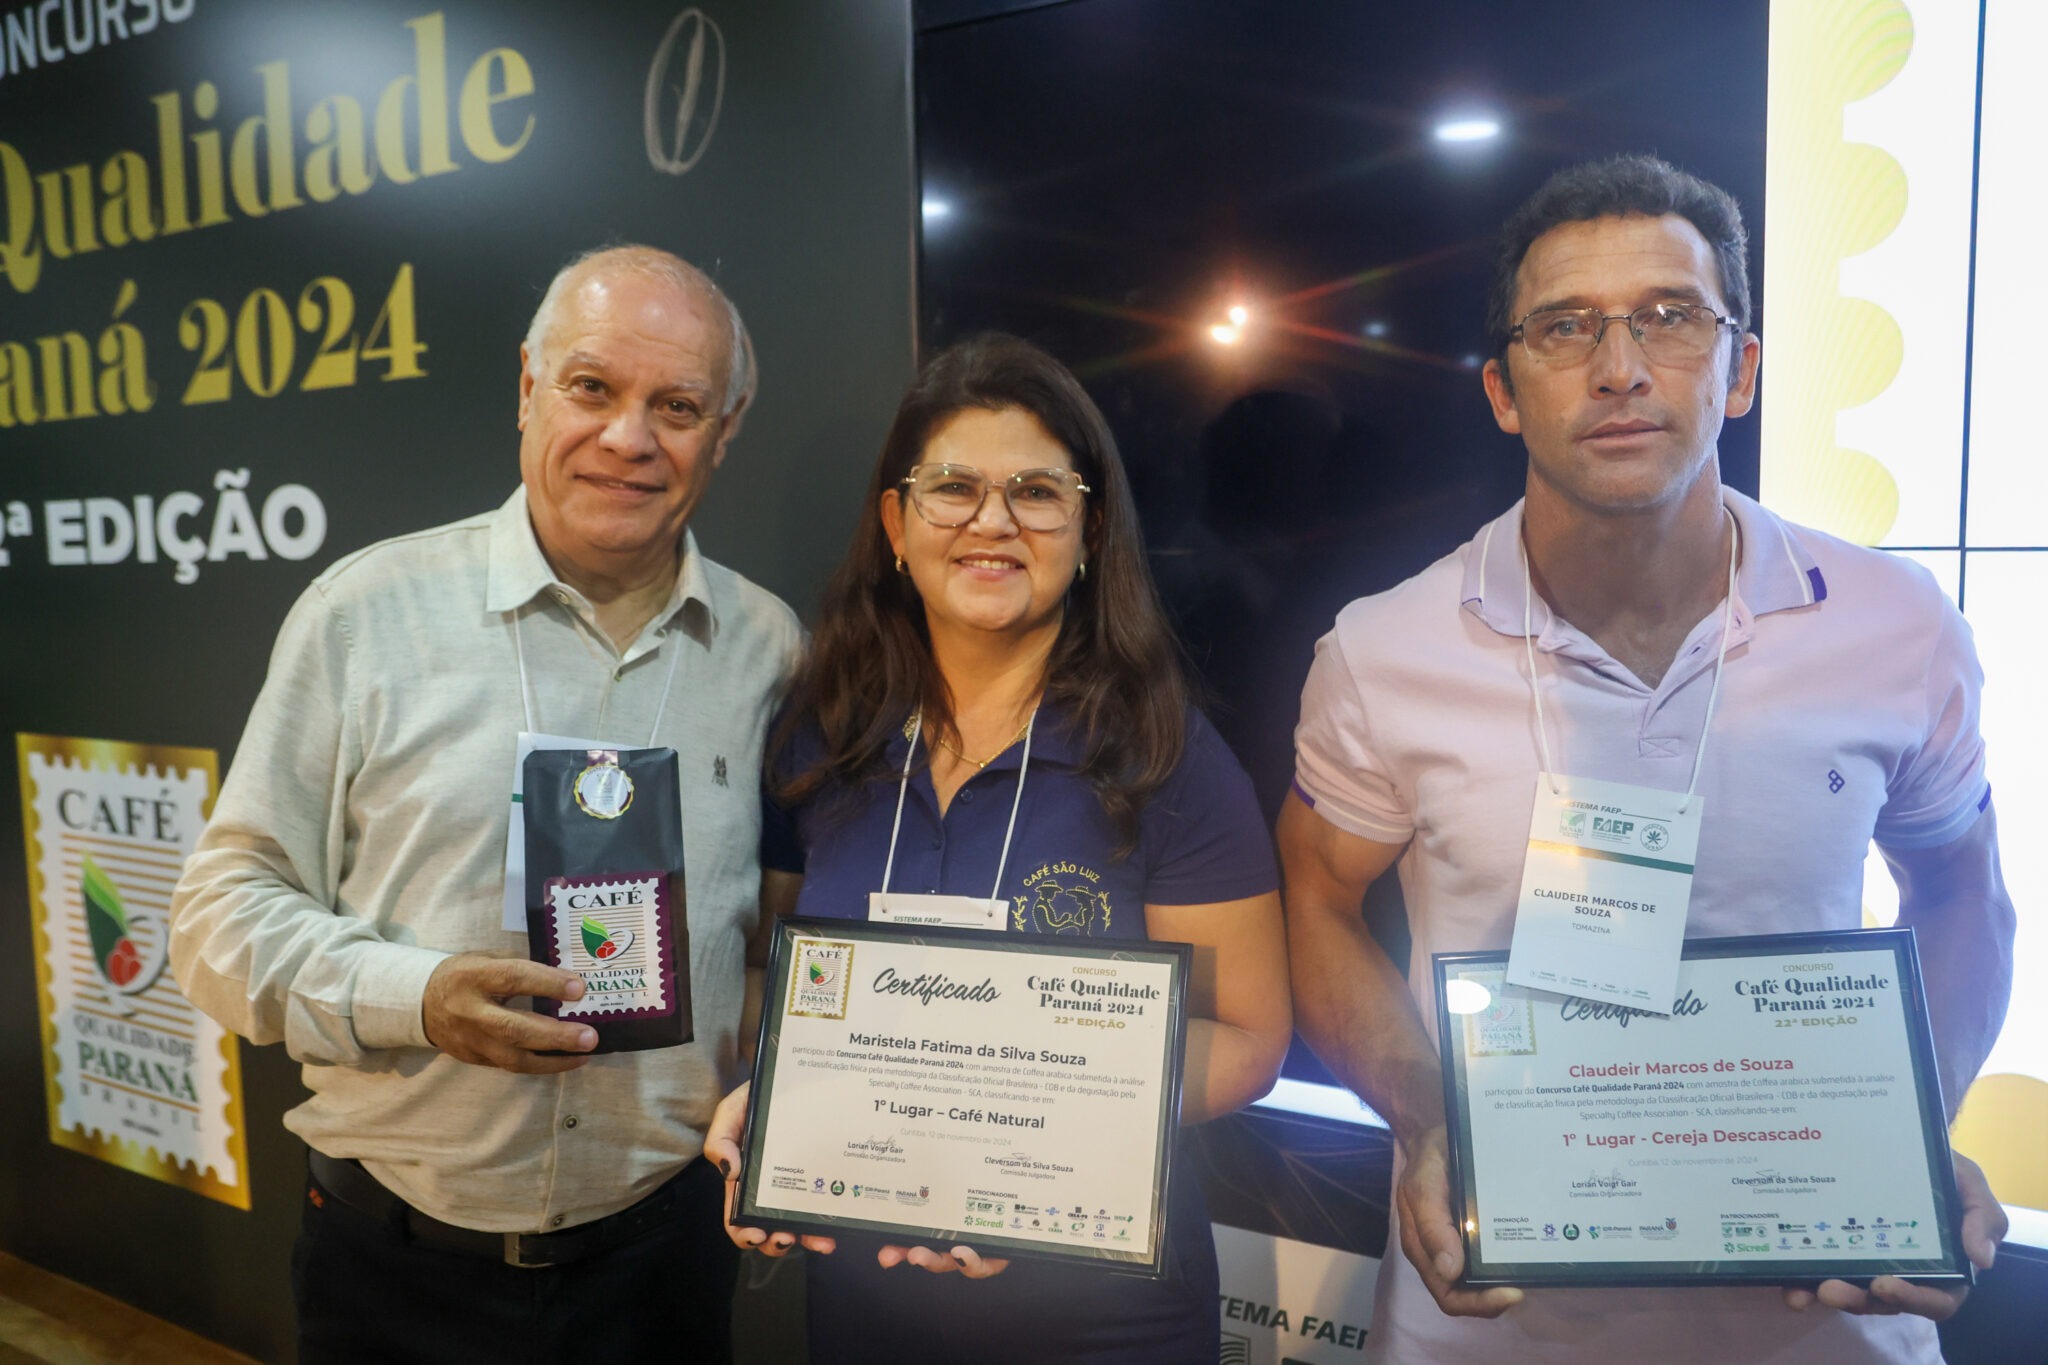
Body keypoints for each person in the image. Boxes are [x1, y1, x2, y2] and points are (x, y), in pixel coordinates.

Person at [1280, 155, 2015, 1363]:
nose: (1619, 367)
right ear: (1502, 393)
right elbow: (1313, 892)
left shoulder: (1897, 624)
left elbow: (1961, 892)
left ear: (1742, 371)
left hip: (1824, 1325)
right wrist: (1421, 1121)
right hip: (1493, 1322)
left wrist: (1907, 1135)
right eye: (1563, 327)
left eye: (1670, 317)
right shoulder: (1382, 649)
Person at [168, 245, 801, 1364]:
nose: (628, 438)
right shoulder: (365, 615)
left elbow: (773, 942)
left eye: (678, 404)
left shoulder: (770, 651)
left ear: (727, 424)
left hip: (661, 1275)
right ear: (526, 386)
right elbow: (217, 922)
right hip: (393, 1272)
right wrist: (418, 998)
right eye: (591, 388)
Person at [704, 333, 1293, 1363]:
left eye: (1035, 490)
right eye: (952, 488)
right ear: (896, 521)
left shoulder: (1162, 753)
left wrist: (1027, 1152)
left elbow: (1246, 1036)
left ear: (1088, 526)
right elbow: (771, 967)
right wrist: (784, 1089)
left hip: (1104, 1318)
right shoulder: (824, 735)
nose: (991, 521)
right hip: (862, 1300)